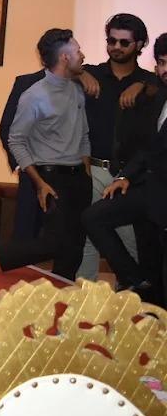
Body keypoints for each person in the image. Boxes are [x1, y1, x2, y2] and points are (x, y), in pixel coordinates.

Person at [0, 29, 92, 282]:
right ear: (65, 57)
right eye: (78, 50)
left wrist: (86, 171)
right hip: (50, 177)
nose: (83, 55)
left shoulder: (76, 90)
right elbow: (16, 139)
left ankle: (62, 293)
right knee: (54, 241)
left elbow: (83, 135)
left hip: (79, 177)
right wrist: (38, 182)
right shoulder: (34, 95)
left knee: (74, 244)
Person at [73, 13, 159, 277]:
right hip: (93, 169)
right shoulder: (91, 74)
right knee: (86, 238)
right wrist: (80, 73)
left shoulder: (150, 84)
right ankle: (85, 296)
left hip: (129, 175)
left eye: (124, 42)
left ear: (139, 45)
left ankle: (131, 294)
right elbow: (56, 74)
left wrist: (142, 84)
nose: (116, 47)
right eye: (111, 41)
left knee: (129, 239)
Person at [83, 33, 167, 303]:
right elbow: (149, 147)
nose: (164, 70)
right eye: (161, 63)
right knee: (94, 217)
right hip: (147, 190)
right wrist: (125, 176)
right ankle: (135, 280)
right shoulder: (158, 95)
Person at [0, 67, 45, 243]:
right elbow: (7, 127)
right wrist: (21, 165)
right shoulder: (26, 82)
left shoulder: (80, 83)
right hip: (32, 170)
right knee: (26, 232)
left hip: (70, 173)